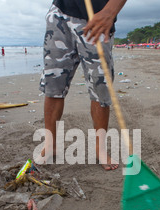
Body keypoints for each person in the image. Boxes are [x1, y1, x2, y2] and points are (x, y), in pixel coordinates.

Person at [39, 0, 127, 171]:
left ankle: (100, 149)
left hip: (99, 17)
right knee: (54, 82)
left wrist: (110, 11)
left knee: (101, 88)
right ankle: (50, 145)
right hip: (61, 14)